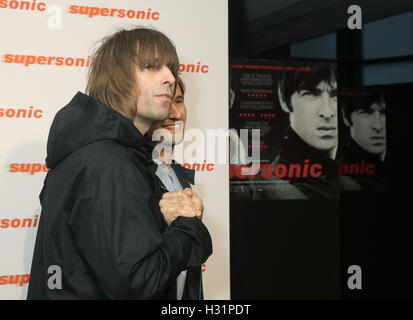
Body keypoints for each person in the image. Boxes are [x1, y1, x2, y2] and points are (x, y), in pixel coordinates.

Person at [27, 27, 212, 299]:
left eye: (170, 69)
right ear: (118, 81)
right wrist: (187, 224)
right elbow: (140, 281)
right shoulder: (110, 162)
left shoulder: (95, 152)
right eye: (151, 67)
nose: (170, 78)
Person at [147, 77, 206, 299]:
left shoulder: (178, 174)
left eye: (179, 101)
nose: (176, 114)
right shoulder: (134, 177)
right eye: (165, 103)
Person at [253, 62, 339, 199]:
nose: (327, 112)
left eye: (335, 95)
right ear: (284, 100)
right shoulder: (280, 184)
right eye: (310, 94)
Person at [339, 88, 387, 192]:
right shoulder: (348, 182)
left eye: (384, 113)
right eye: (365, 112)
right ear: (346, 118)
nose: (378, 126)